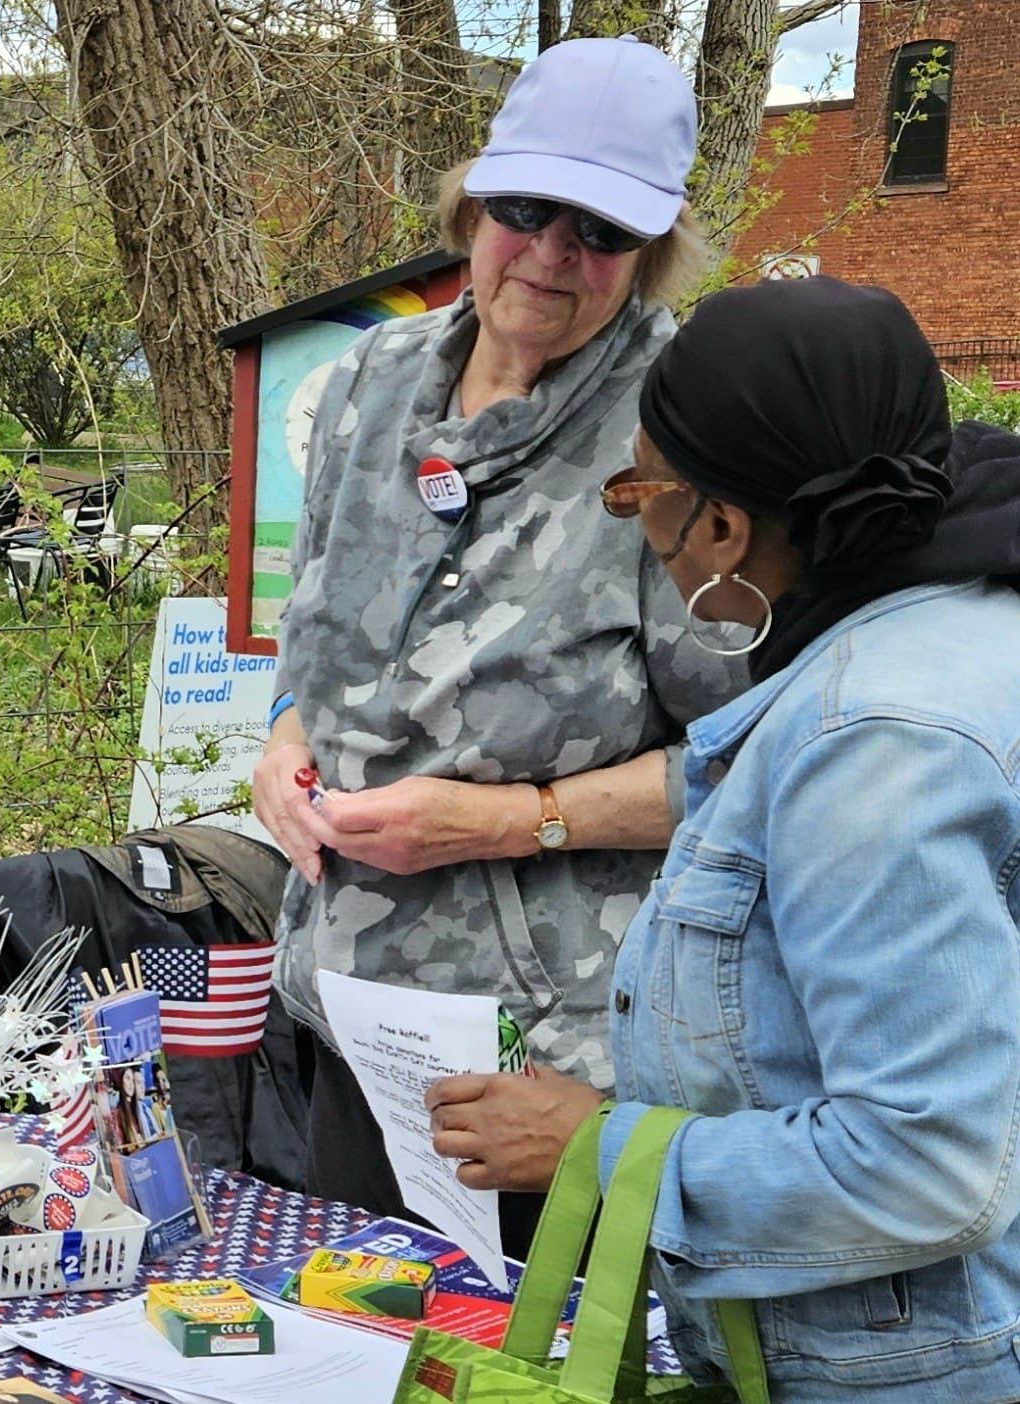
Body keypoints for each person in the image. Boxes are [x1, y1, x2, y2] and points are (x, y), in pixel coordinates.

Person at [431, 274, 1020, 1399]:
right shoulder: (961, 619)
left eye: (636, 492)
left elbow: (930, 1163)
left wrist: (596, 1150)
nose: (640, 528)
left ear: (718, 526)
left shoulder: (875, 743)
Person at [252, 34, 745, 1251]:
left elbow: (752, 764)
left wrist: (513, 819)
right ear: (472, 203)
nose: (552, 253)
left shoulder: (688, 441)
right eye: (525, 209)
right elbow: (315, 640)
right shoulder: (375, 379)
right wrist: (282, 740)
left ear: (651, 251)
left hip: (543, 1060)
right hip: (338, 1009)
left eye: (601, 230)